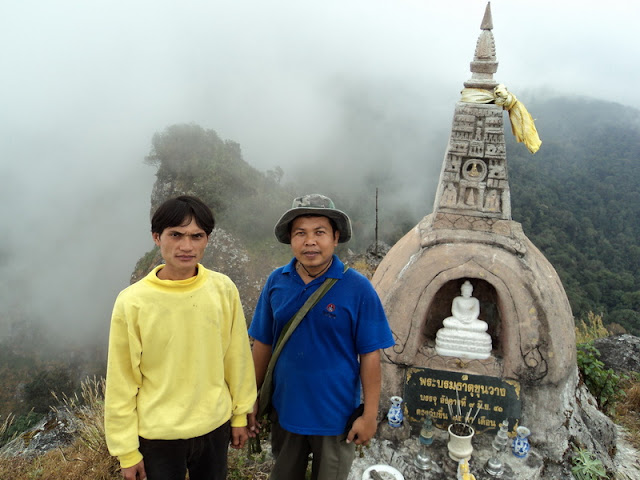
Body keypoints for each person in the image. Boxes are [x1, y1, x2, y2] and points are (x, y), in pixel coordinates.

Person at [104, 195, 257, 480]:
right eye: (176, 235)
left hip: (215, 426)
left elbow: (236, 357)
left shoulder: (222, 289)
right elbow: (122, 382)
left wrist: (239, 415)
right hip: (159, 436)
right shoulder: (133, 302)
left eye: (196, 236)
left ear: (207, 240)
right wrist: (127, 452)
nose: (186, 246)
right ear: (156, 237)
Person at [247, 194, 395, 480]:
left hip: (336, 419)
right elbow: (262, 343)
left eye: (320, 232)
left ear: (335, 237)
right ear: (291, 239)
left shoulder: (358, 288)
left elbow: (370, 355)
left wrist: (369, 415)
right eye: (300, 233)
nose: (310, 241)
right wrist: (250, 397)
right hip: (286, 412)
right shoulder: (276, 282)